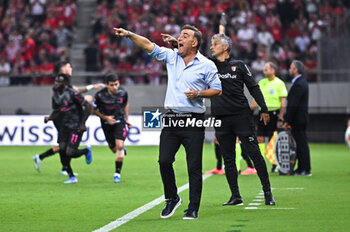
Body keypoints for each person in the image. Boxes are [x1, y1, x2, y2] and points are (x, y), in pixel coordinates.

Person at [114, 24, 222, 219]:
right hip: (172, 118)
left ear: (194, 42)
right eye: (179, 35)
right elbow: (148, 45)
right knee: (164, 161)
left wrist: (198, 93)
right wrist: (129, 34)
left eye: (185, 35)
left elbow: (217, 89)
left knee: (194, 166)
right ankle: (172, 198)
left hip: (193, 120)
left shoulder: (207, 64)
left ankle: (193, 208)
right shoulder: (172, 57)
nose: (179, 37)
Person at [209, 33, 275, 206]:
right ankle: (235, 196)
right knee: (228, 159)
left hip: (241, 117)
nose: (211, 47)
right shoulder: (209, 66)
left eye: (214, 44)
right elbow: (192, 55)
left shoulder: (238, 65)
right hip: (221, 119)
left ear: (225, 47)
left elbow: (253, 87)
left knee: (254, 154)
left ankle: (268, 193)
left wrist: (264, 108)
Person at [33, 61, 104, 174]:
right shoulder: (60, 82)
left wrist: (91, 87)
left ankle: (60, 166)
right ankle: (55, 163)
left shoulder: (65, 82)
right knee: (65, 146)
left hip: (67, 117)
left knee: (66, 145)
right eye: (68, 66)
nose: (71, 68)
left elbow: (75, 91)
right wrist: (85, 99)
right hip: (63, 118)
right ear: (63, 69)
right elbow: (70, 96)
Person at [44, 73, 92, 184]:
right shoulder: (55, 96)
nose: (56, 83)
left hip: (76, 126)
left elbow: (88, 106)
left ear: (65, 83)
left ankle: (86, 151)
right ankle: (71, 176)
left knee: (70, 152)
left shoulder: (73, 94)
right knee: (62, 150)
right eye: (55, 81)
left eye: (59, 81)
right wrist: (50, 118)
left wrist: (82, 123)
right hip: (64, 126)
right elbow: (57, 111)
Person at [250, 62, 288, 173]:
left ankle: (275, 164)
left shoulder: (279, 84)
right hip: (262, 114)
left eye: (267, 68)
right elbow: (256, 99)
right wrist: (250, 110)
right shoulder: (262, 82)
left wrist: (281, 118)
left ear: (273, 70)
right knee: (260, 138)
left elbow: (283, 102)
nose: (264, 70)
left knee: (273, 140)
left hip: (274, 114)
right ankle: (260, 163)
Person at [93, 73, 131, 183]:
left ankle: (117, 174)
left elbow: (125, 104)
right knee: (114, 150)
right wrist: (106, 118)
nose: (115, 87)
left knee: (119, 146)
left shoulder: (123, 93)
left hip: (120, 121)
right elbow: (94, 110)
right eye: (112, 85)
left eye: (116, 84)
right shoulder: (100, 95)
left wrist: (127, 119)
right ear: (107, 85)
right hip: (106, 124)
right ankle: (121, 150)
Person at [284, 60, 311, 176]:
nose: (289, 70)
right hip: (300, 119)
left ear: (296, 70)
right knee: (301, 143)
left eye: (291, 68)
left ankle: (304, 169)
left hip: (298, 119)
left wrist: (287, 121)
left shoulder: (299, 84)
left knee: (301, 144)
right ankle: (302, 168)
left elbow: (293, 105)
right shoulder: (300, 82)